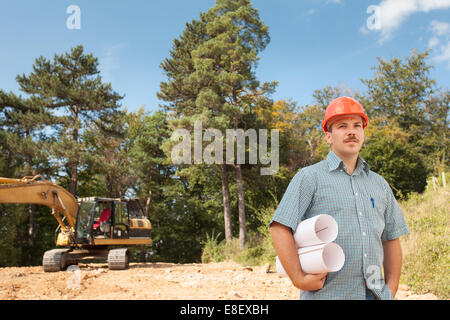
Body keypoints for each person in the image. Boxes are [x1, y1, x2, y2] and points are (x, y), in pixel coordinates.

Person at [269, 96, 409, 300]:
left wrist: (391, 289)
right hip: (328, 295)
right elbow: (279, 227)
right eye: (342, 126)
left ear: (363, 132)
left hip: (375, 295)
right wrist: (298, 278)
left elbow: (391, 238)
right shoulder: (310, 178)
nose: (351, 131)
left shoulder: (379, 184)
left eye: (357, 125)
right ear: (328, 136)